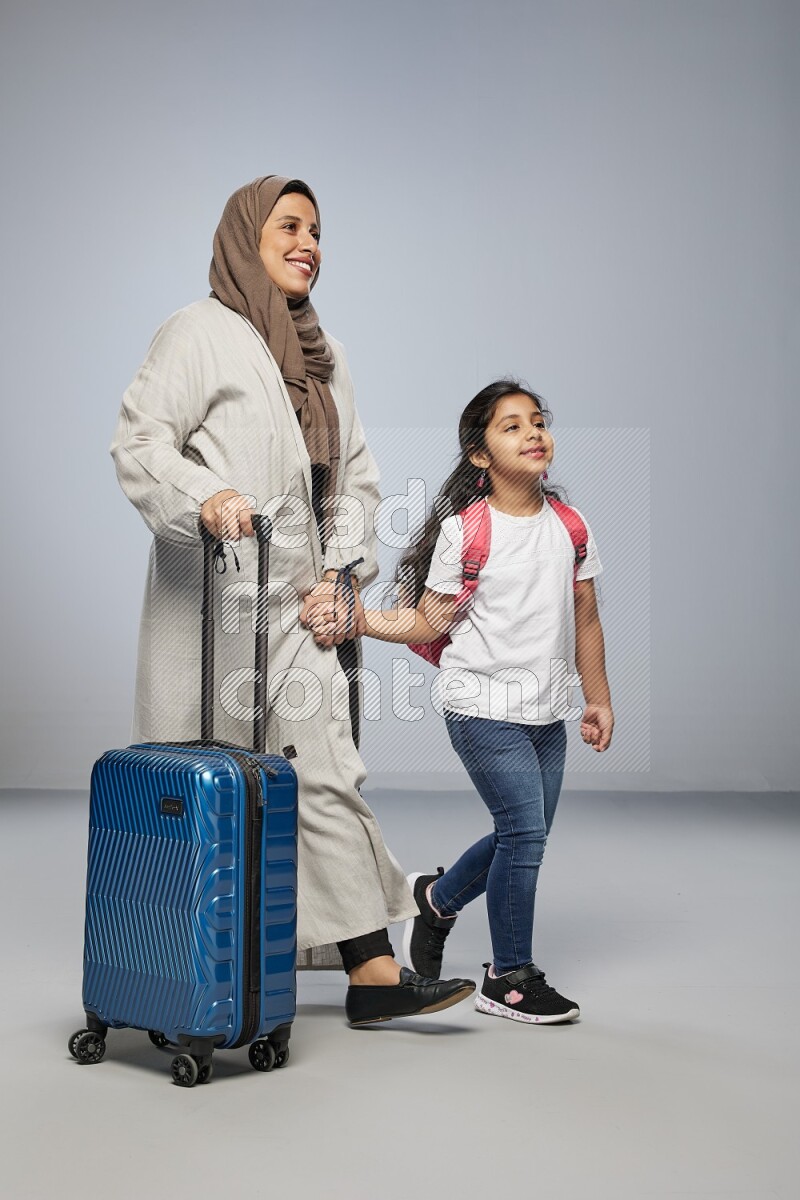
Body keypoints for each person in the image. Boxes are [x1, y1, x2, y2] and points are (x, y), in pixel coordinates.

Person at [110, 175, 475, 1026]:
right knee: (203, 784)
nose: (309, 241)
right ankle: (183, 974)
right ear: (248, 236)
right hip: (214, 599)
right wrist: (203, 495)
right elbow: (140, 441)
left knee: (326, 769)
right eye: (290, 225)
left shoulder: (326, 353)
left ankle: (372, 975)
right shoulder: (196, 333)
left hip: (301, 604)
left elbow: (354, 476)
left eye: (317, 229)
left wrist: (344, 575)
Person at [307, 379, 613, 1024]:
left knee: (523, 833)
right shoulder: (467, 531)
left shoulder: (570, 526)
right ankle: (508, 978)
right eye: (511, 427)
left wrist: (597, 700)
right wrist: (359, 618)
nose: (533, 433)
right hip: (480, 704)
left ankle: (437, 899)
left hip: (546, 711)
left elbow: (586, 616)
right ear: (480, 455)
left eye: (538, 421)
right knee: (524, 833)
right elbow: (428, 622)